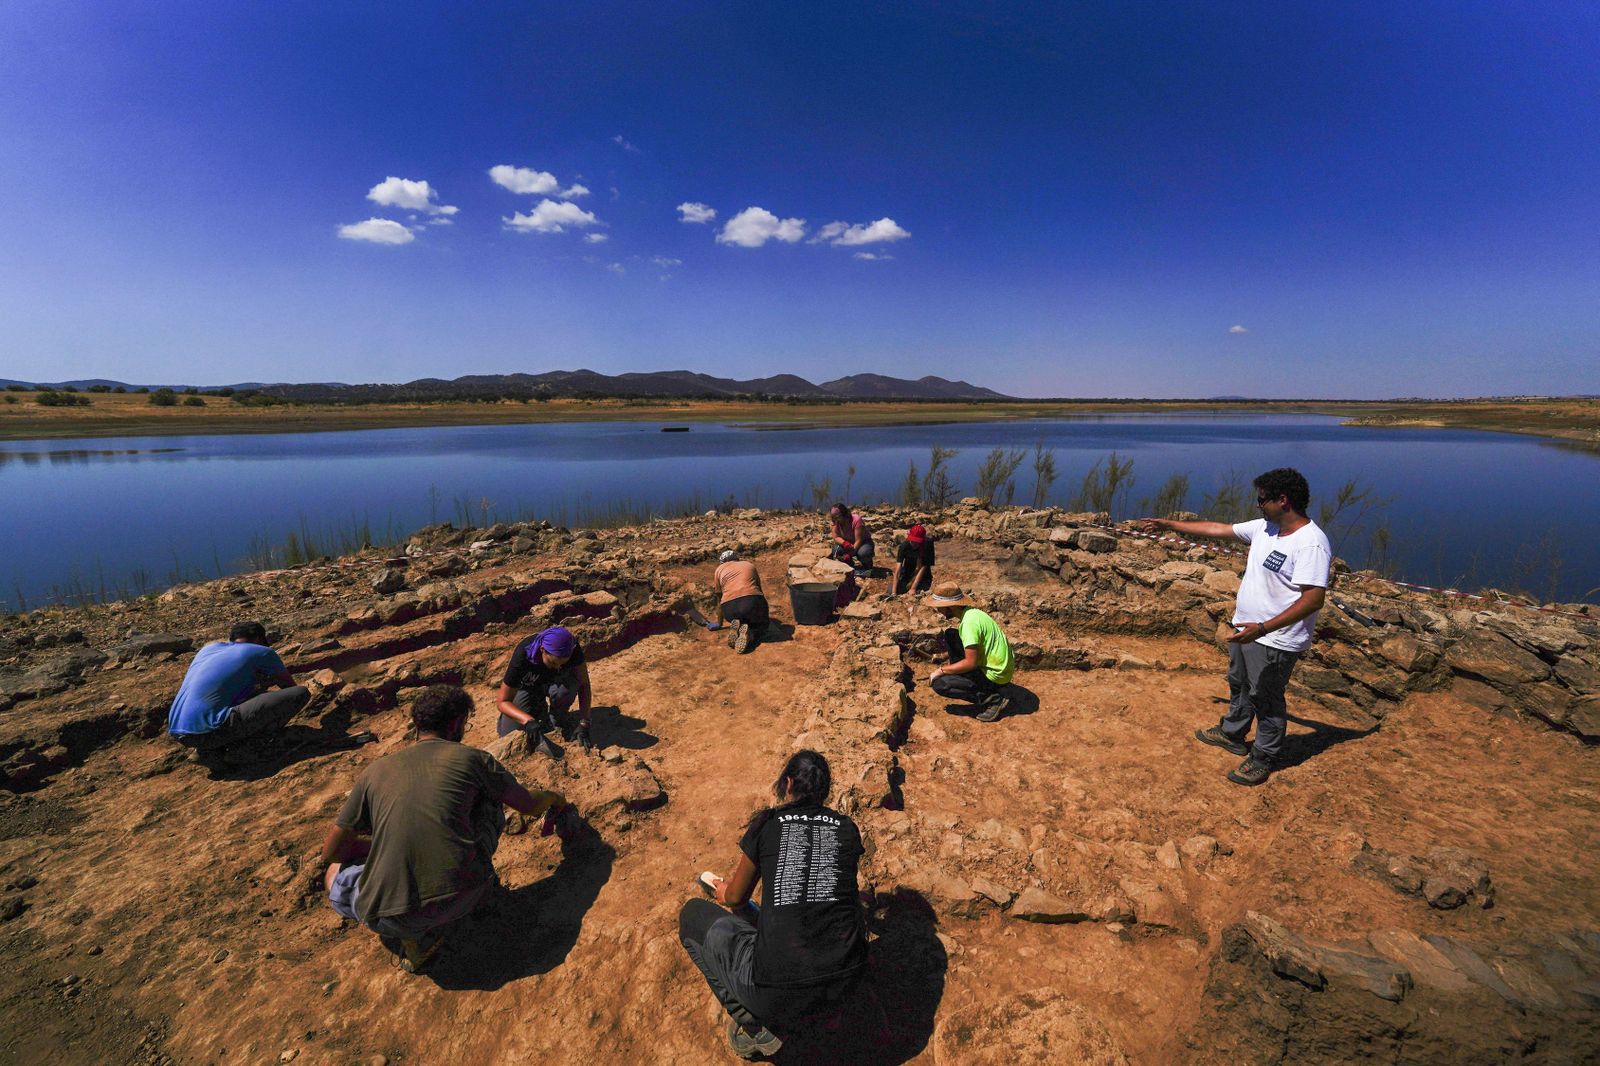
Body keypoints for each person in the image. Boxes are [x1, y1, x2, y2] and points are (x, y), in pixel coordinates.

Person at [321, 684, 570, 973]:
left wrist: (378, 846)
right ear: (456, 724)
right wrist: (554, 797)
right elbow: (527, 805)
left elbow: (333, 852)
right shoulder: (474, 759)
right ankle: (482, 890)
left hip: (384, 917)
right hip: (462, 897)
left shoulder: (374, 772)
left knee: (334, 872)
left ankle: (413, 940)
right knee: (490, 799)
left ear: (417, 724)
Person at [1138, 467, 1332, 787]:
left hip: (1274, 638)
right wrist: (1170, 524)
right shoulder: (1265, 528)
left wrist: (1265, 628)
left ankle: (1263, 756)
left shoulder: (1310, 544)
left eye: (1262, 500)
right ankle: (1232, 733)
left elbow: (1313, 600)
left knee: (1266, 697)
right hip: (1245, 629)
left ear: (1283, 500)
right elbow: (1217, 528)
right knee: (1239, 684)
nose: (1258, 506)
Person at [680, 751, 867, 1060]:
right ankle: (827, 1017)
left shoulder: (768, 823)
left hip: (776, 991)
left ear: (789, 782)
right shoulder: (846, 827)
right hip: (846, 984)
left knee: (691, 916)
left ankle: (754, 1025)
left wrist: (718, 888)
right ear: (825, 790)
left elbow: (736, 898)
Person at [167, 621, 312, 760]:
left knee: (252, 697)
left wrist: (256, 686)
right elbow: (289, 688)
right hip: (210, 730)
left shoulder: (208, 650)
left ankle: (209, 752)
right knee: (299, 694)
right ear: (259, 639)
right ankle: (244, 749)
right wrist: (268, 681)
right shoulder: (262, 651)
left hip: (178, 731)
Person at [496, 625, 593, 755]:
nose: (558, 667)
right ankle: (538, 708)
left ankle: (557, 718)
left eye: (563, 664)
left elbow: (584, 685)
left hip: (556, 683)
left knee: (568, 687)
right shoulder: (523, 654)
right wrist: (527, 721)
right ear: (542, 650)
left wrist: (584, 722)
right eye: (553, 663)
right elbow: (502, 702)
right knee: (508, 733)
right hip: (529, 687)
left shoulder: (571, 648)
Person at [927, 584, 1015, 722]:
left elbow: (971, 663)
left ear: (949, 607)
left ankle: (993, 699)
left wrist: (941, 670)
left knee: (941, 684)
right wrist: (944, 656)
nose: (938, 610)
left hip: (996, 675)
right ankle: (966, 678)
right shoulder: (972, 613)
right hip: (1002, 667)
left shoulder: (969, 624)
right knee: (951, 634)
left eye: (939, 606)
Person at [714, 550, 769, 654]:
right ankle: (750, 633)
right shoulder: (749, 565)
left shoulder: (719, 570)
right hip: (751, 603)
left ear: (722, 562)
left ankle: (738, 625)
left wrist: (719, 623)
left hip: (729, 609)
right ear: (737, 558)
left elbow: (718, 600)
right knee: (762, 625)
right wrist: (764, 613)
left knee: (739, 614)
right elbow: (760, 591)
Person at [887, 524, 935, 598]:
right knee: (891, 590)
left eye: (917, 541)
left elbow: (923, 567)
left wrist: (913, 588)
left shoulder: (927, 545)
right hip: (907, 572)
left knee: (918, 593)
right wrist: (894, 592)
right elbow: (898, 569)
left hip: (923, 575)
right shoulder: (904, 546)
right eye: (912, 541)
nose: (914, 544)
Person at [827, 503, 874, 574]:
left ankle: (867, 566)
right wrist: (844, 543)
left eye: (837, 517)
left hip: (862, 543)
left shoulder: (856, 520)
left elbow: (859, 540)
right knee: (837, 550)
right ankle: (848, 565)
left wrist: (849, 554)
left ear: (844, 514)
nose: (835, 520)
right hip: (848, 543)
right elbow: (836, 537)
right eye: (833, 518)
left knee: (864, 553)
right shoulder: (835, 522)